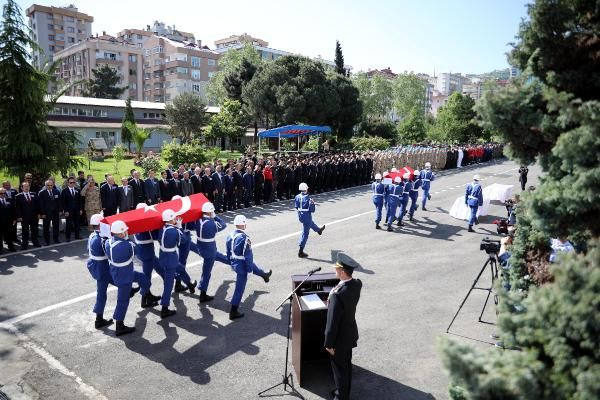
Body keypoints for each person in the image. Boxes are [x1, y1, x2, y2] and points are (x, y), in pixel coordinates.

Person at [105, 220, 159, 336]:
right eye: (124, 231)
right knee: (122, 301)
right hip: (125, 275)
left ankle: (146, 295)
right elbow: (137, 251)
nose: (126, 232)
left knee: (144, 279)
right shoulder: (127, 245)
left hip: (117, 272)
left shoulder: (108, 242)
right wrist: (128, 239)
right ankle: (119, 325)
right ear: (119, 233)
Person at [324, 253, 362, 400]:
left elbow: (332, 323)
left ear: (342, 272)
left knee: (339, 369)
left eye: (337, 268)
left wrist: (329, 343)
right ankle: (344, 391)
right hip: (350, 334)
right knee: (346, 365)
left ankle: (341, 396)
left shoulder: (337, 295)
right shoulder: (357, 284)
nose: (335, 269)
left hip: (339, 340)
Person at [225, 215, 272, 320]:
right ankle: (233, 310)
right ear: (242, 224)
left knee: (251, 266)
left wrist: (231, 263)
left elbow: (228, 252)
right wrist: (250, 270)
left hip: (234, 261)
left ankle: (264, 274)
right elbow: (248, 256)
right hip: (242, 263)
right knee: (240, 288)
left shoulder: (230, 235)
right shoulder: (244, 238)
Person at [158, 209, 195, 319]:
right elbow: (184, 240)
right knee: (168, 284)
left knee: (181, 269)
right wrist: (179, 228)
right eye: (174, 218)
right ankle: (164, 308)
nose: (176, 219)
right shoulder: (174, 231)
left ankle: (189, 284)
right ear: (171, 219)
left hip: (163, 256)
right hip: (171, 258)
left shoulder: (162, 228)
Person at [195, 202, 229, 302]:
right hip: (210, 250)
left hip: (201, 248)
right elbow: (223, 225)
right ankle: (203, 294)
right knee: (206, 273)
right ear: (210, 212)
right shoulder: (211, 223)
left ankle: (203, 290)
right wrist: (216, 217)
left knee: (223, 259)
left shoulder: (197, 220)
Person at [87, 214, 114, 329]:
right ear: (99, 225)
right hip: (102, 267)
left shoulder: (92, 235)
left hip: (96, 265)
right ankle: (99, 319)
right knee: (102, 294)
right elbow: (110, 254)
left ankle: (129, 290)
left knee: (111, 280)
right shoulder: (102, 239)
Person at [133, 203, 164, 282]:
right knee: (147, 274)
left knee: (159, 267)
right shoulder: (146, 222)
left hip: (140, 249)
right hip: (147, 251)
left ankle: (168, 280)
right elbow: (155, 237)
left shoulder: (134, 220)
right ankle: (145, 293)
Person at [295, 182, 325, 258]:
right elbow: (312, 210)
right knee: (305, 233)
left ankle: (318, 230)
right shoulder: (309, 199)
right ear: (306, 189)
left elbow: (296, 206)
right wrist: (312, 203)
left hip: (300, 215)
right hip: (307, 216)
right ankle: (300, 251)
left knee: (310, 223)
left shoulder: (297, 196)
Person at [15, 182, 40, 249]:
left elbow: (37, 205)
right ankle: (25, 245)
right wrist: (19, 216)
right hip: (24, 217)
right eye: (25, 186)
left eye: (28, 186)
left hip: (34, 216)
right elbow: (18, 208)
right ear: (22, 188)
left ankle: (35, 242)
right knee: (25, 231)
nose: (26, 188)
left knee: (34, 230)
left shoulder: (34, 194)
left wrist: (38, 214)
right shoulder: (18, 196)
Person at [38, 179, 61, 245]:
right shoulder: (42, 193)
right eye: (48, 185)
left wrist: (60, 211)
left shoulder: (56, 191)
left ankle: (56, 239)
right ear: (45, 185)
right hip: (46, 213)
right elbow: (40, 204)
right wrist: (42, 213)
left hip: (55, 213)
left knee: (56, 226)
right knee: (46, 227)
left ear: (53, 185)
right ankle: (47, 241)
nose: (50, 186)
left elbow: (59, 202)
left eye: (51, 185)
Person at [60, 177, 82, 241]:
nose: (72, 184)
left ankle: (77, 235)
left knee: (77, 223)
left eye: (73, 182)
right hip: (68, 211)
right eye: (71, 182)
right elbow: (63, 202)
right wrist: (65, 211)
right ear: (68, 183)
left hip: (77, 210)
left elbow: (79, 201)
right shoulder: (64, 191)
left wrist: (80, 209)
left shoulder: (77, 190)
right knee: (68, 224)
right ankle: (68, 237)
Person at [0, 187, 16, 253]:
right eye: (1, 193)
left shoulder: (9, 200)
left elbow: (13, 210)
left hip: (9, 222)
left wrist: (14, 218)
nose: (3, 194)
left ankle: (11, 247)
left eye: (4, 193)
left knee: (9, 235)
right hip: (0, 222)